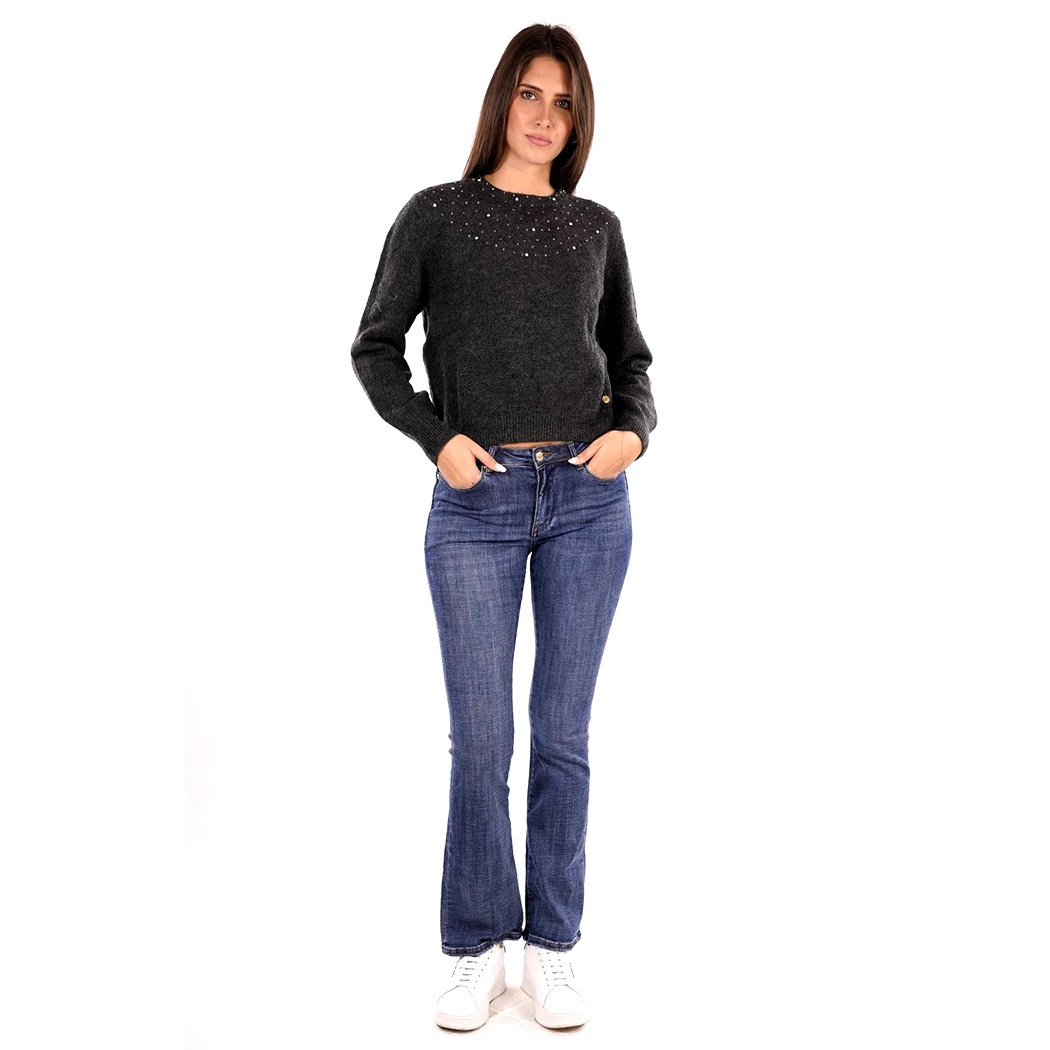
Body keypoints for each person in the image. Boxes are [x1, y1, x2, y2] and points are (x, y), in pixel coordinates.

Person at [350, 23, 657, 1031]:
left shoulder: (595, 228)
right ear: (501, 99)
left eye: (563, 101)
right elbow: (375, 348)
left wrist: (633, 434)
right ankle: (479, 947)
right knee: (481, 740)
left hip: (587, 499)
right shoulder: (437, 216)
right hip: (475, 499)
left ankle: (553, 950)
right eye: (530, 93)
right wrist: (436, 438)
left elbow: (631, 359)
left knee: (562, 736)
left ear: (579, 119)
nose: (544, 115)